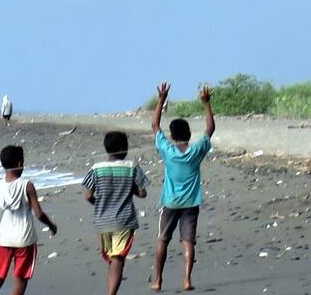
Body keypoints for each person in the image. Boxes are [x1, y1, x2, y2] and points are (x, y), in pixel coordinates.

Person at [150, 83, 214, 292]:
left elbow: (155, 126)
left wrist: (161, 100)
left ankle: (158, 280)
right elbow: (210, 129)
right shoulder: (196, 151)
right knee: (188, 241)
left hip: (170, 201)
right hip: (191, 202)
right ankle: (186, 279)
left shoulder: (168, 150)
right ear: (187, 133)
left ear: (173, 135)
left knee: (163, 239)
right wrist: (206, 104)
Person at [0, 145, 59, 295]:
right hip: (25, 240)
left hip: (2, 240)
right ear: (20, 163)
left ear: (3, 165)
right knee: (21, 280)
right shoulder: (27, 186)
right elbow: (39, 214)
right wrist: (51, 225)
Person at [85, 132, 149, 295]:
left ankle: (111, 290)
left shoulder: (96, 168)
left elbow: (88, 196)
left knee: (113, 259)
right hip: (124, 219)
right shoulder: (131, 166)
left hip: (102, 220)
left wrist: (100, 204)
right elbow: (143, 193)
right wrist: (130, 187)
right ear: (122, 148)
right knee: (118, 259)